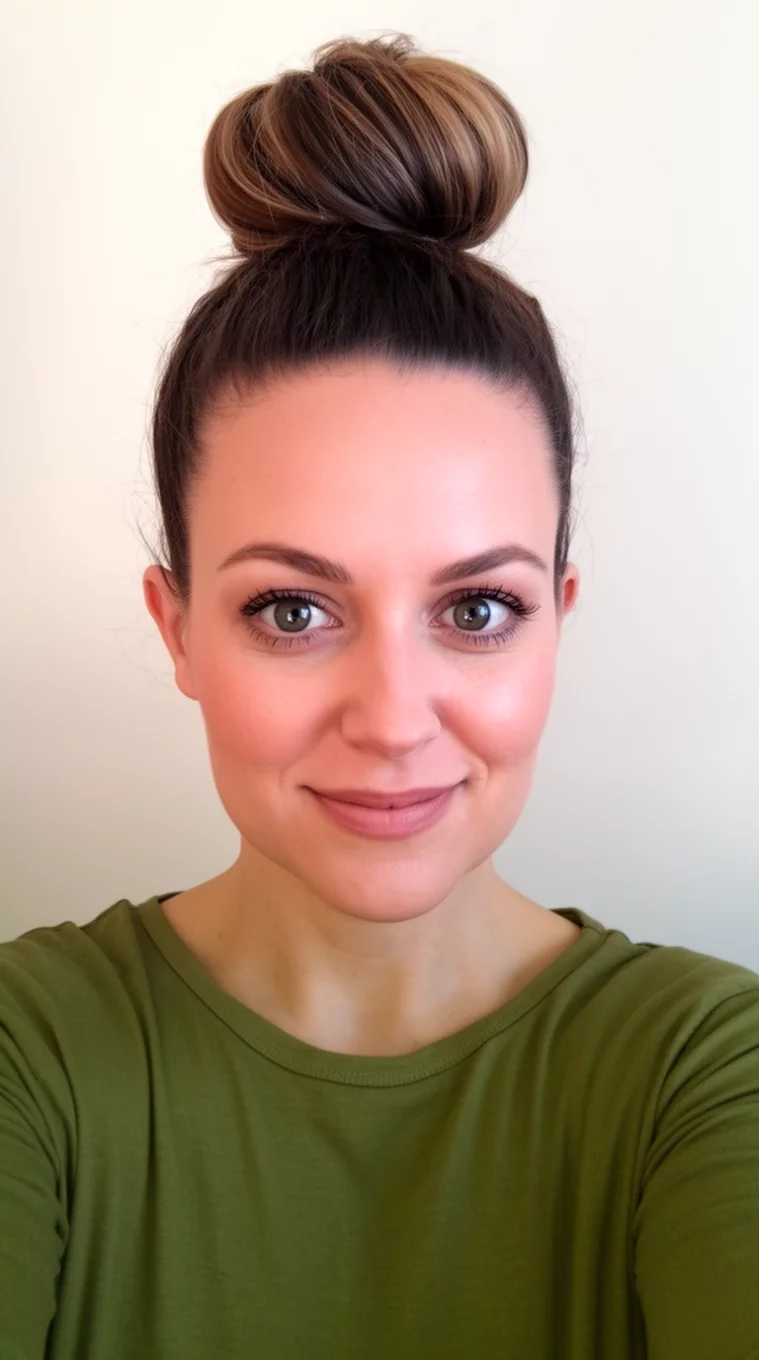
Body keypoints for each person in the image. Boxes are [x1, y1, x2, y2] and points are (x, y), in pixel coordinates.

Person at [1, 31, 757, 1360]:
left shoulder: (709, 1072)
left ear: (555, 626)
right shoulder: (29, 1057)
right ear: (176, 631)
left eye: (476, 610)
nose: (394, 717)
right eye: (292, 610)